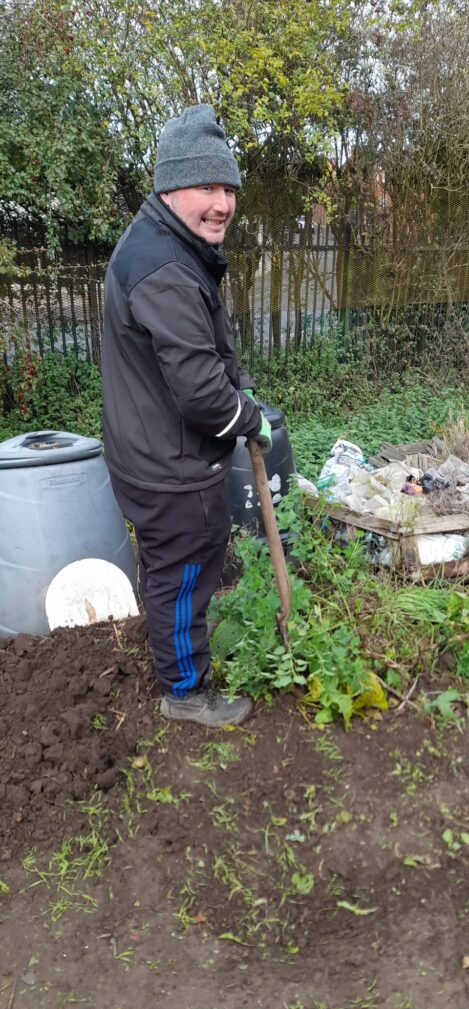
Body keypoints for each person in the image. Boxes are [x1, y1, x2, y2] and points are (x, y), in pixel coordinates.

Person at [101, 104, 271, 727]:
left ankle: (182, 652)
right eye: (208, 187)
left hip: (146, 444)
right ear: (171, 187)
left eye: (228, 188)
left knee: (177, 564)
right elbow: (200, 390)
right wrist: (246, 418)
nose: (222, 202)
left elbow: (203, 346)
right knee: (182, 568)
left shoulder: (165, 243)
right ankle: (184, 690)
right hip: (168, 463)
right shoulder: (167, 268)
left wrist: (241, 388)